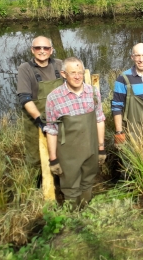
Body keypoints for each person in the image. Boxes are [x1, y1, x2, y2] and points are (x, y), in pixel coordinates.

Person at [44, 57, 106, 208]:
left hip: (91, 149)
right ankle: (73, 217)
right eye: (73, 73)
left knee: (88, 181)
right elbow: (51, 129)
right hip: (68, 154)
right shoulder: (54, 98)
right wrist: (53, 159)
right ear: (64, 74)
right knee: (70, 186)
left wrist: (101, 148)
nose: (78, 76)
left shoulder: (93, 93)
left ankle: (86, 212)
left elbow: (99, 119)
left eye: (80, 72)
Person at [16, 36, 63, 166]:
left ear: (51, 50)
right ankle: (37, 182)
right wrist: (40, 121)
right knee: (36, 157)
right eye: (38, 48)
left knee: (62, 153)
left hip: (59, 119)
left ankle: (60, 181)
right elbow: (25, 99)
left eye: (46, 48)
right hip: (36, 121)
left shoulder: (59, 65)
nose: (42, 51)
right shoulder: (25, 69)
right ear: (32, 50)